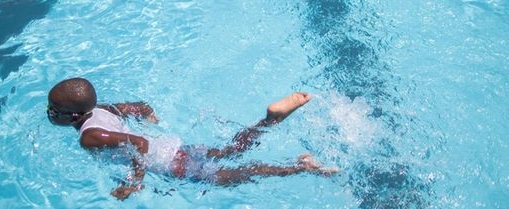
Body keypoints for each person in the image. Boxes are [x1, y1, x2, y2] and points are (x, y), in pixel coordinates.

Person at [47, 78, 337, 200]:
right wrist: (151, 120)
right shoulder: (100, 109)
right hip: (174, 147)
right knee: (229, 151)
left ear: (71, 116)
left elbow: (140, 145)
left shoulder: (89, 137)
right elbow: (139, 107)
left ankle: (302, 166)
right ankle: (269, 120)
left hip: (169, 163)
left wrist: (134, 181)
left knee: (236, 174)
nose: (50, 114)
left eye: (53, 110)